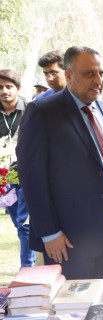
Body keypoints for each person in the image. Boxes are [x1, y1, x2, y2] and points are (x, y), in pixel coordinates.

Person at [16, 46, 103, 283]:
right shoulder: (42, 112)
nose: (98, 80)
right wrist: (49, 232)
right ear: (69, 76)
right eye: (89, 74)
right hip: (68, 237)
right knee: (72, 311)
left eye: (101, 73)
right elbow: (31, 179)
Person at [0, 68, 34, 268]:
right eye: (1, 88)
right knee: (17, 223)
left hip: (27, 174)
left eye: (9, 87)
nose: (5, 91)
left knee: (24, 224)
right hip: (4, 180)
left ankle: (26, 269)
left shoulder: (31, 110)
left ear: (18, 88)